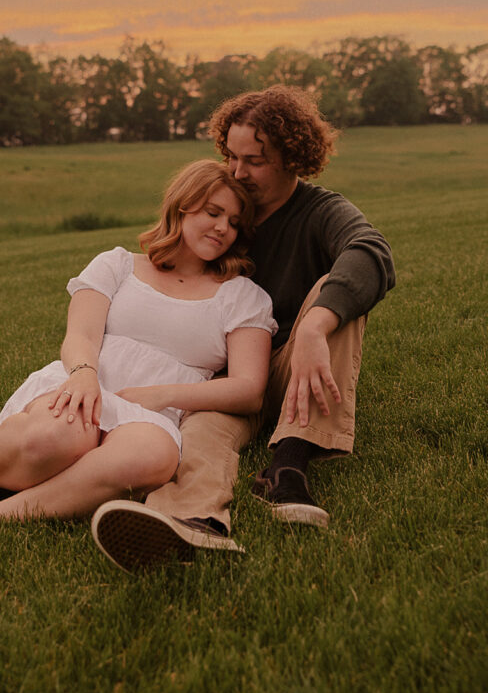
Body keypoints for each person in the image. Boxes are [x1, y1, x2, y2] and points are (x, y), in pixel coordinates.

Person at [0, 160, 277, 550]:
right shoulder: (117, 265)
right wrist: (83, 374)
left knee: (150, 456)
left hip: (155, 413)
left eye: (235, 222)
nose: (223, 228)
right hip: (87, 379)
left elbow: (248, 389)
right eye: (213, 212)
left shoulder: (242, 296)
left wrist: (161, 395)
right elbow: (80, 334)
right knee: (57, 436)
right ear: (182, 206)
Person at [91, 85, 396, 571]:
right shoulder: (225, 211)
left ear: (292, 157)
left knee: (335, 298)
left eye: (253, 160)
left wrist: (315, 327)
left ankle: (289, 462)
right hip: (222, 383)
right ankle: (191, 523)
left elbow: (371, 252)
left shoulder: (320, 212)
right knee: (205, 432)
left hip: (289, 367)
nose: (237, 172)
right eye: (231, 156)